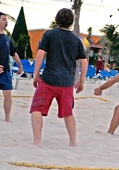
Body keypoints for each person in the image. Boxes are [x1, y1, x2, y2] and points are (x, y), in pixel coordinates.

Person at [30, 8, 88, 147]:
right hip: (67, 83)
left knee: (36, 109)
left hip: (49, 79)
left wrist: (36, 75)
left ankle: (37, 142)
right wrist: (81, 81)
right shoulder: (76, 40)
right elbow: (84, 61)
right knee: (68, 113)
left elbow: (40, 54)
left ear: (57, 19)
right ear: (71, 22)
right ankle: (73, 143)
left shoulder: (49, 34)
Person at [0, 12, 24, 122]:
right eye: (4, 19)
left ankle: (7, 118)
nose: (6, 22)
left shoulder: (6, 38)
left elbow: (13, 53)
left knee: (8, 94)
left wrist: (20, 66)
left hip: (5, 71)